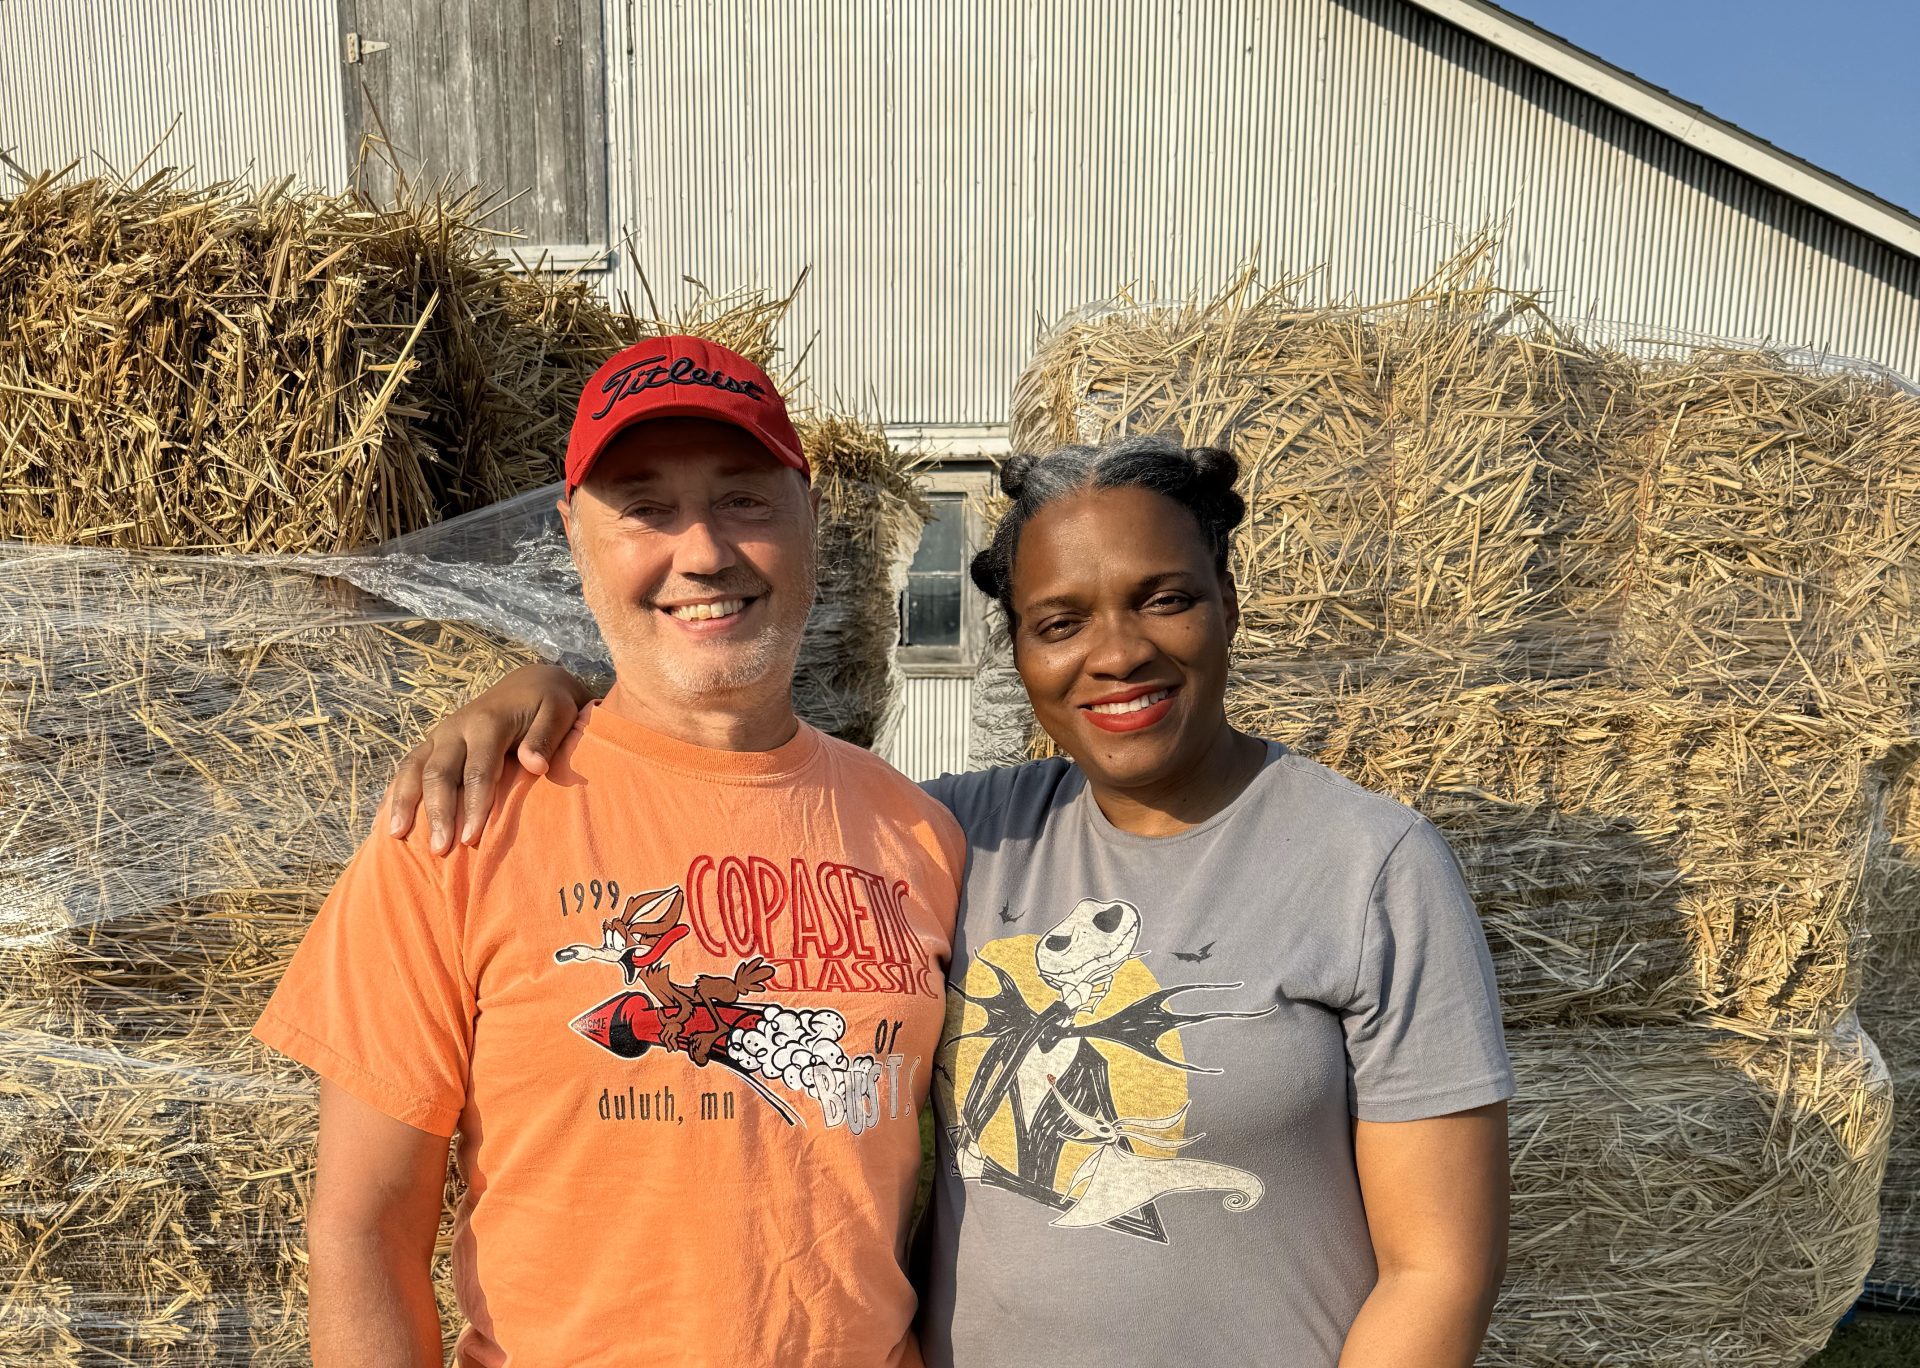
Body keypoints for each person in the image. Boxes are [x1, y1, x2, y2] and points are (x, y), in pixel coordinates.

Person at [391, 435, 1513, 1367]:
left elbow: (1440, 1266)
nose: (1116, 654)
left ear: (1228, 601)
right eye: (1060, 622)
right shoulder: (945, 836)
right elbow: (728, 774)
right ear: (1017, 650)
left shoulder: (1369, 864)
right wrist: (554, 692)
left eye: (1163, 600)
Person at [253, 336, 965, 1368]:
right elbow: (365, 1229)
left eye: (746, 500)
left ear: (811, 519)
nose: (705, 551)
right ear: (572, 538)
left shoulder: (922, 835)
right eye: (645, 507)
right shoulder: (460, 826)